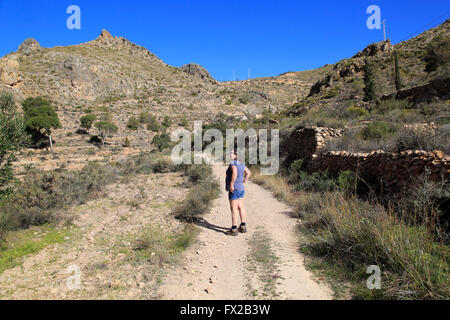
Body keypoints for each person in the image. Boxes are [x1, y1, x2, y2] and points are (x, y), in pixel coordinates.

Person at [225, 151, 251, 236]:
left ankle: (234, 229)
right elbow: (248, 172)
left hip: (234, 189)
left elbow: (235, 173)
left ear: (236, 155)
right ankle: (243, 226)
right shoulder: (241, 163)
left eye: (232, 153)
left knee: (234, 209)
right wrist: (244, 180)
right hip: (241, 188)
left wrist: (231, 184)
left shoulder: (233, 163)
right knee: (241, 207)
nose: (230, 154)